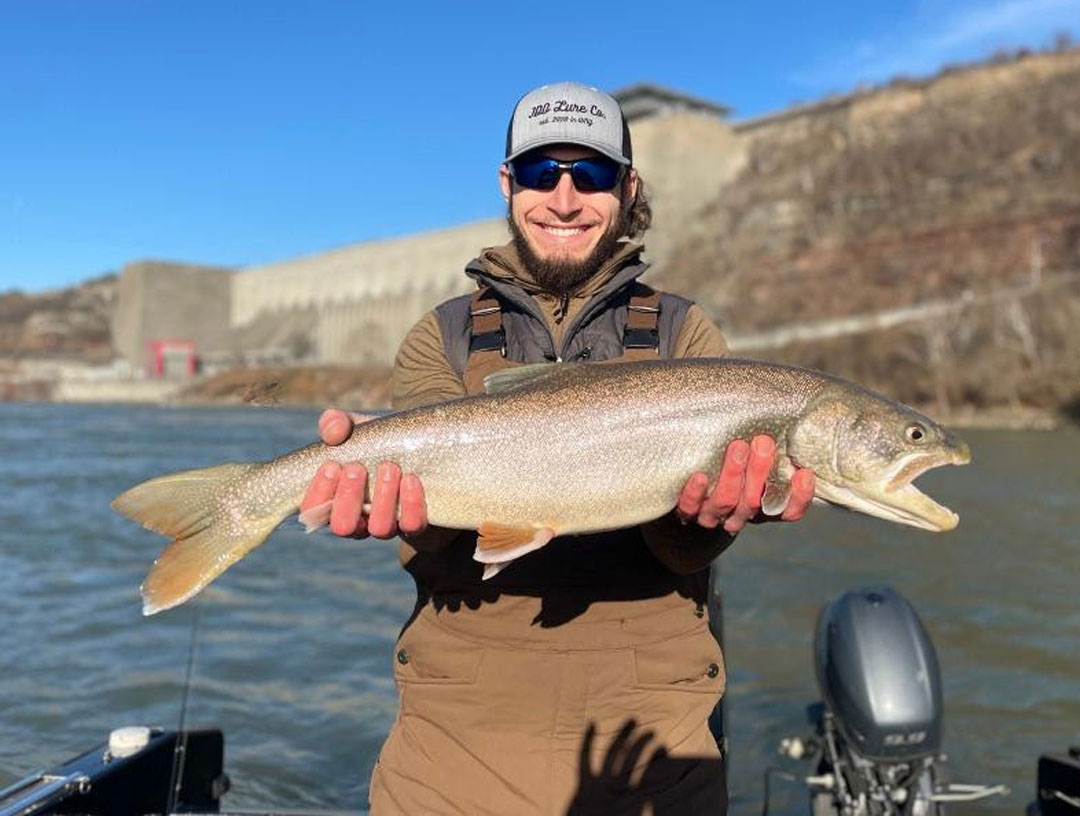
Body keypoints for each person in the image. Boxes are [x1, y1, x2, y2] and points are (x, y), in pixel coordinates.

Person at [300, 82, 816, 815]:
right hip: (452, 756)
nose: (565, 199)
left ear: (626, 189)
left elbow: (685, 554)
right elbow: (432, 532)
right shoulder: (441, 335)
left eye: (591, 174)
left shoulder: (686, 334)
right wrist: (388, 501)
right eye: (542, 173)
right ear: (508, 185)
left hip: (654, 749)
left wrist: (703, 522)